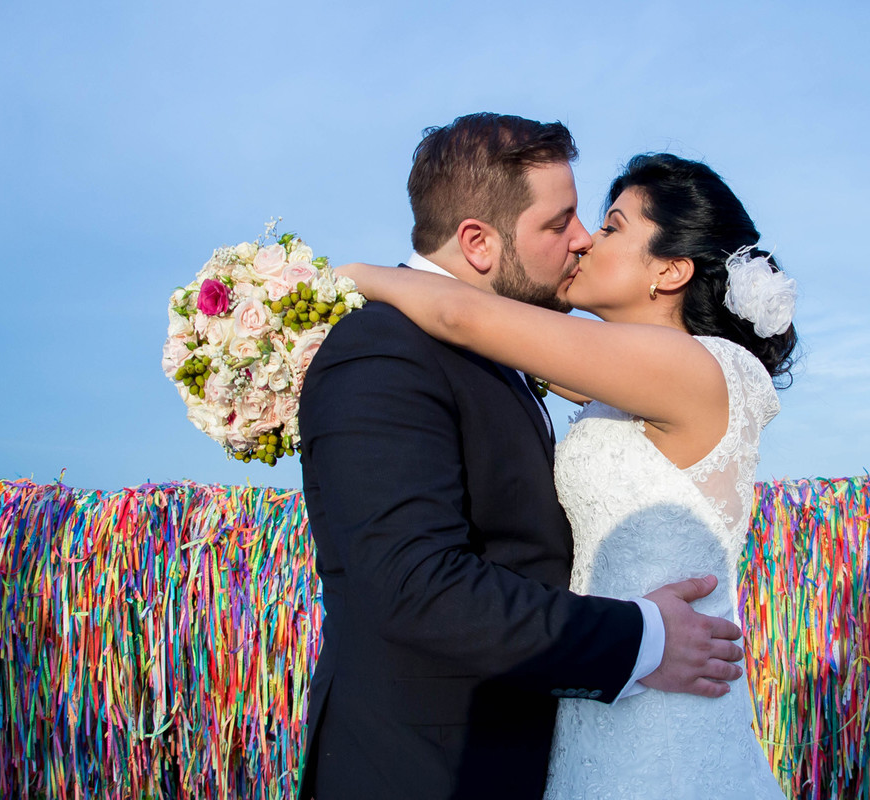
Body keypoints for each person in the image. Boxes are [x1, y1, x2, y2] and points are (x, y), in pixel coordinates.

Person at [296, 116, 749, 800]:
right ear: (478, 241)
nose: (584, 239)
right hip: (425, 769)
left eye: (605, 223)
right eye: (562, 220)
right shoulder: (385, 348)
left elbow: (468, 318)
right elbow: (419, 585)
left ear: (672, 270)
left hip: (633, 722)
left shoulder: (643, 366)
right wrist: (639, 638)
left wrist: (352, 275)